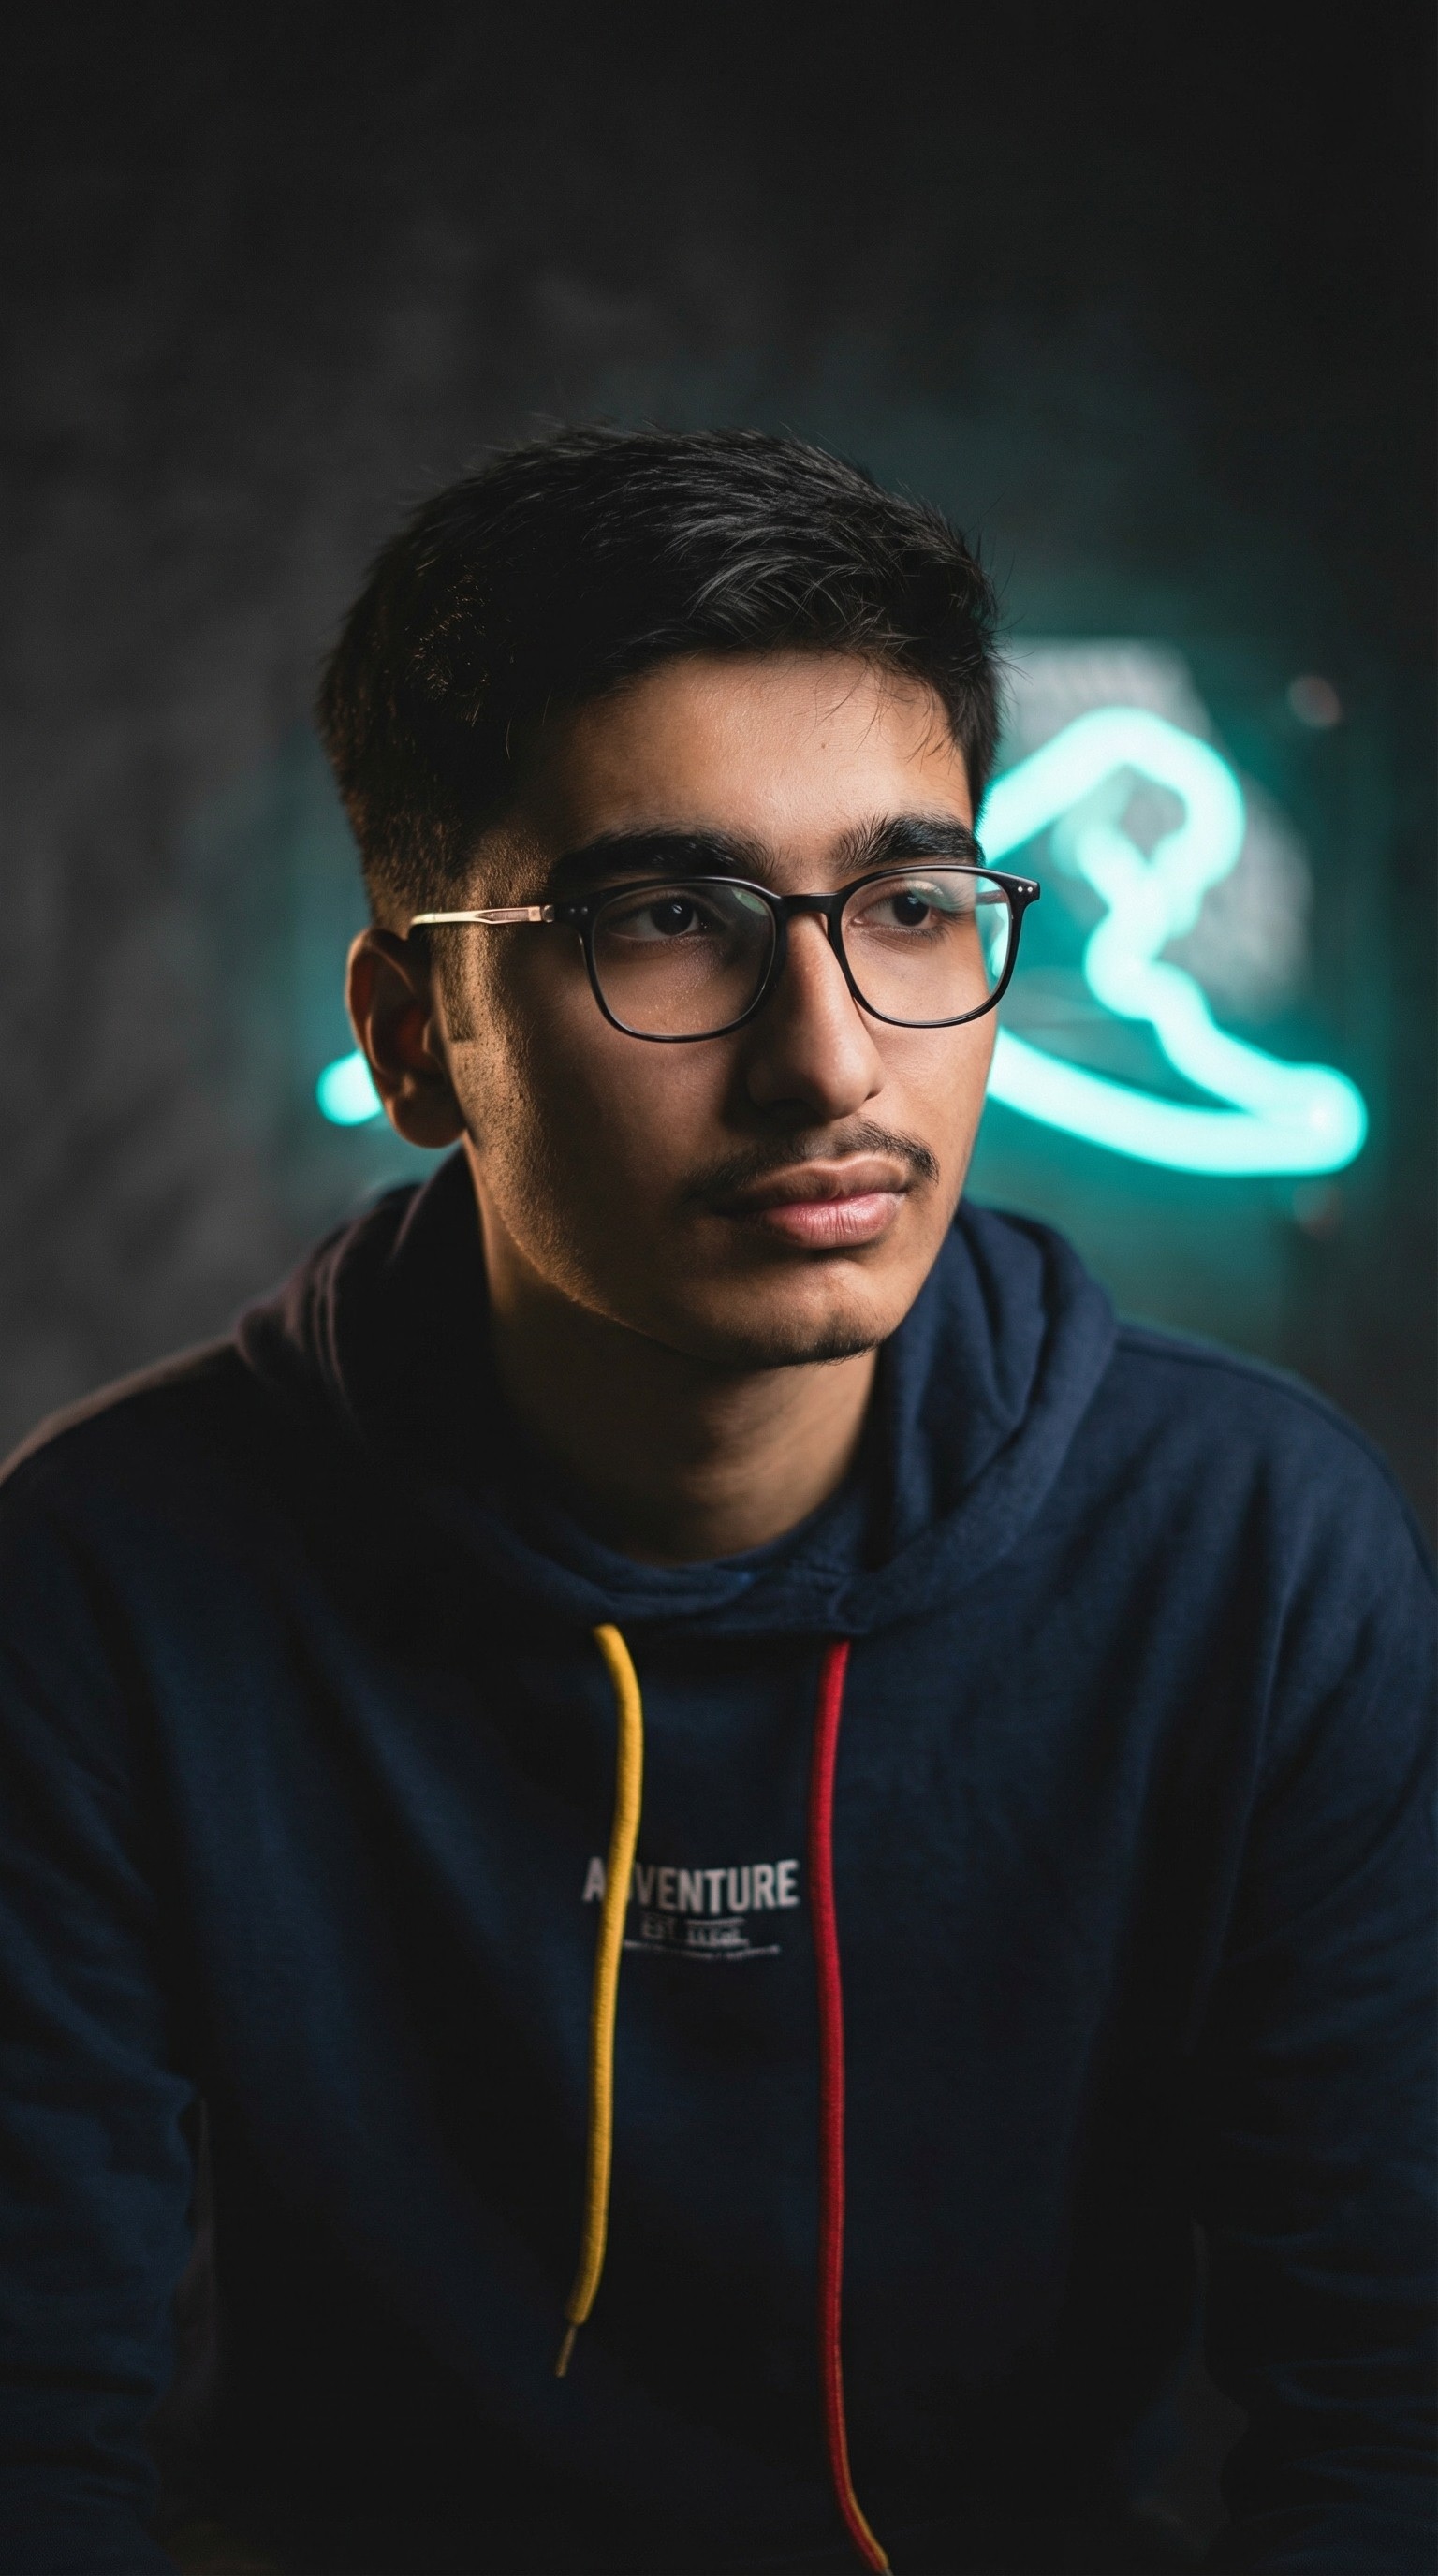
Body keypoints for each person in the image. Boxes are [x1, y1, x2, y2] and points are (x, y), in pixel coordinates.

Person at [0, 429, 1431, 2576]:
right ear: (415, 1034)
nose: (832, 1057)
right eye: (671, 917)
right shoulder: (106, 1577)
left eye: (916, 905)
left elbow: (1389, 2416)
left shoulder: (1251, 1550)